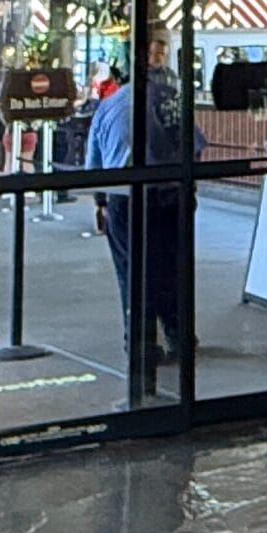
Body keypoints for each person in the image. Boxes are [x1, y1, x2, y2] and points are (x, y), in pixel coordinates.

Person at [84, 29, 203, 391]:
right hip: (168, 194)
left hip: (124, 198)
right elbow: (193, 144)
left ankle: (139, 343)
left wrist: (101, 203)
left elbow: (95, 161)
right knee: (171, 268)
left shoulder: (110, 104)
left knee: (131, 272)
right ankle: (179, 338)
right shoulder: (169, 99)